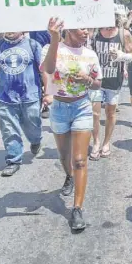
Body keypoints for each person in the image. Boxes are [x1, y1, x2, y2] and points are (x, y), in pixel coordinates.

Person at [41, 18, 102, 230]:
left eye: (88, 27)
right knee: (64, 156)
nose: (87, 31)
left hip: (82, 107)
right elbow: (48, 70)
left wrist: (87, 80)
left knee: (80, 160)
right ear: (69, 29)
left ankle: (77, 209)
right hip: (58, 108)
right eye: (82, 27)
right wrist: (54, 38)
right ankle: (69, 176)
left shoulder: (90, 54)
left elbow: (98, 83)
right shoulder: (52, 47)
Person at [0, 31, 45, 176]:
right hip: (6, 98)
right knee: (8, 130)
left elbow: (44, 70)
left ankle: (35, 140)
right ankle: (13, 159)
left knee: (33, 126)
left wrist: (48, 93)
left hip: (30, 97)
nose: (10, 30)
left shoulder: (33, 45)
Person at [89, 16, 132, 160]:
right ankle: (96, 142)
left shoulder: (124, 34)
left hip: (114, 80)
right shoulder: (94, 33)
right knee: (94, 113)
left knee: (110, 113)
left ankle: (106, 143)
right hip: (96, 80)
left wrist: (122, 56)